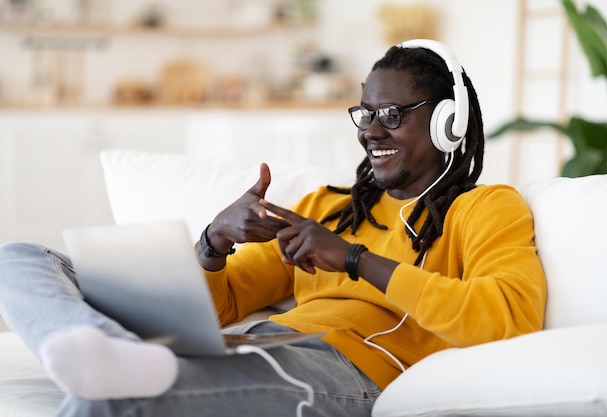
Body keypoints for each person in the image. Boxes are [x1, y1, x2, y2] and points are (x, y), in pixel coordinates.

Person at [0, 39, 546, 417]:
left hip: (336, 371)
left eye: (393, 115)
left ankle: (112, 365)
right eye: (365, 114)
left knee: (113, 400)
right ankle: (100, 347)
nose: (371, 131)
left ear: (450, 121)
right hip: (244, 344)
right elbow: (222, 307)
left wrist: (355, 259)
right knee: (20, 256)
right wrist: (213, 244)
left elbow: (507, 320)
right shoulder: (330, 207)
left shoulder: (486, 208)